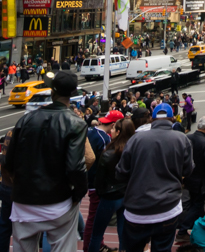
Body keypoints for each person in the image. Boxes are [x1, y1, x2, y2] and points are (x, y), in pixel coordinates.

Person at [5, 71, 88, 252]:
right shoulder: (76, 123)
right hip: (58, 201)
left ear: (52, 92)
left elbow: (8, 162)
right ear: (72, 93)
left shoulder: (26, 119)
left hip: (23, 202)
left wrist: (16, 186)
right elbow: (75, 166)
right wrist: (78, 195)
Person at [115, 103, 195, 252]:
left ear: (152, 119)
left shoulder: (136, 139)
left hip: (137, 210)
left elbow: (120, 173)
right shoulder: (182, 139)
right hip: (168, 208)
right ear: (172, 119)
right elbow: (188, 170)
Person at [88, 119, 136, 252]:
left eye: (114, 129)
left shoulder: (108, 154)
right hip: (125, 195)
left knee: (96, 234)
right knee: (122, 233)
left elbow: (99, 179)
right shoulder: (134, 151)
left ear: (119, 132)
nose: (111, 130)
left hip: (109, 197)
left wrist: (101, 192)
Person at [175, 116, 205, 244]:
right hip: (202, 180)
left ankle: (196, 230)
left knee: (194, 204)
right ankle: (182, 231)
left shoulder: (188, 138)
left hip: (190, 178)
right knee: (198, 206)